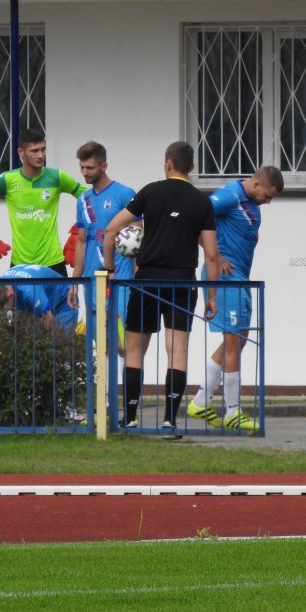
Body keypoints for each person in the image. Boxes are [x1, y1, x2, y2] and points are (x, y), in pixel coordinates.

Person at [102, 141, 220, 430]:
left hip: (147, 280)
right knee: (177, 350)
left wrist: (109, 269)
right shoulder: (202, 201)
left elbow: (111, 230)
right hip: (183, 280)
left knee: (133, 350)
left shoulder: (150, 192)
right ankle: (169, 419)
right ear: (191, 168)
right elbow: (212, 254)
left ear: (168, 163)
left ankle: (129, 417)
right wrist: (211, 296)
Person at [186, 166, 284, 432]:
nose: (269, 200)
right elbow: (195, 218)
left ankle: (200, 401)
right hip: (226, 278)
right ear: (256, 184)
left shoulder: (251, 203)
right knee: (233, 341)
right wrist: (215, 256)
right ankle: (232, 411)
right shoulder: (229, 196)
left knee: (238, 339)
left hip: (240, 277)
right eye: (268, 194)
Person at [0, 128, 86, 276]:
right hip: (20, 264)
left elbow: (89, 198)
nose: (41, 155)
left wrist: (78, 230)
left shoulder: (57, 177)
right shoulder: (8, 180)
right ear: (21, 152)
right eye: (34, 151)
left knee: (61, 300)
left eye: (43, 150)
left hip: (53, 262)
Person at [67, 141, 139, 359]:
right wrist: (75, 283)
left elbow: (137, 234)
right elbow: (81, 242)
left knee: (124, 343)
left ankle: (128, 393)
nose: (84, 172)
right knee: (102, 344)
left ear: (104, 166)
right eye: (82, 167)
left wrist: (137, 270)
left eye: (90, 167)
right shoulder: (83, 200)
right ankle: (105, 393)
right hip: (93, 279)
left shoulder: (125, 194)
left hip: (121, 277)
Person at [0, 264, 79, 333]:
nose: (7, 312)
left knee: (60, 343)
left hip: (65, 300)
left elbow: (49, 320)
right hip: (43, 295)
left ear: (10, 295)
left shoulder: (30, 292)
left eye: (6, 309)